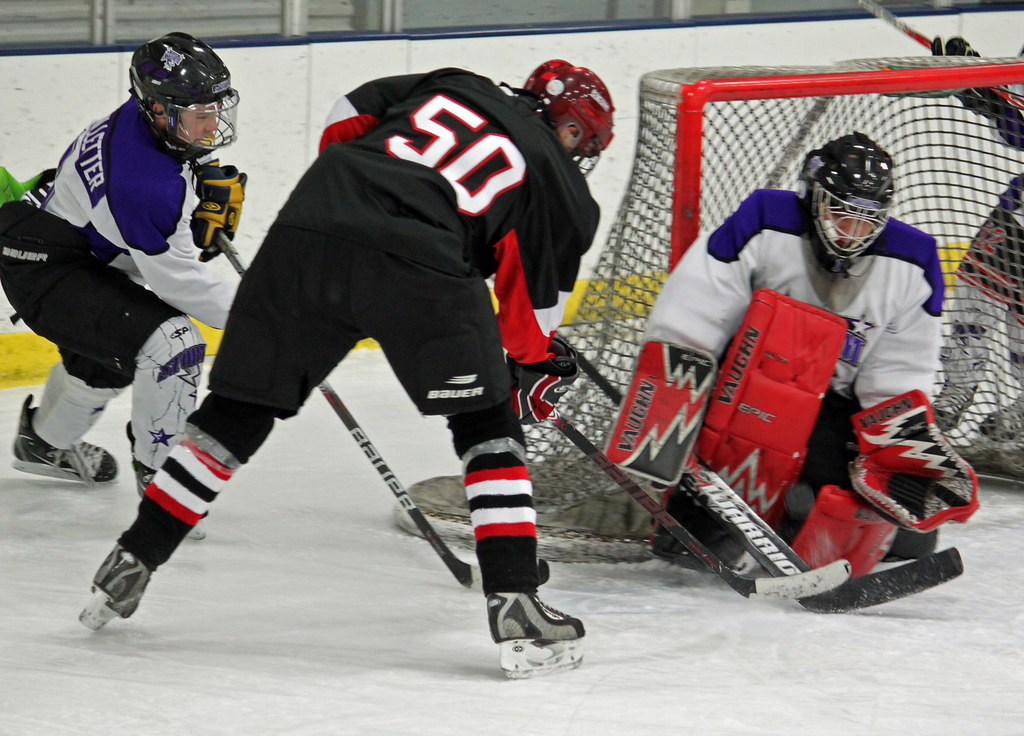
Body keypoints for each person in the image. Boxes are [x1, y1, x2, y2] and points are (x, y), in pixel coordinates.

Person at [79, 60, 614, 679]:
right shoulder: (566, 193)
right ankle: (518, 602)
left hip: (316, 220)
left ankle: (132, 558)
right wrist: (532, 369)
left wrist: (354, 204)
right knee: (487, 426)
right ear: (574, 136)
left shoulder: (456, 82)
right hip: (426, 260)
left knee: (235, 414)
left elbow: (344, 114)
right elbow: (528, 324)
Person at [613, 132, 977, 577]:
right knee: (702, 542)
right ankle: (717, 511)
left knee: (912, 538)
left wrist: (899, 455)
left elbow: (896, 378)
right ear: (812, 197)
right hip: (740, 396)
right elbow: (694, 316)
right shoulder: (766, 222)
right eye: (841, 215)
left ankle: (790, 513)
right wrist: (671, 414)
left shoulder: (914, 264)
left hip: (829, 410)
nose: (851, 233)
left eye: (866, 221)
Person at [0, 32, 245, 540]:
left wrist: (203, 172)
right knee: (174, 342)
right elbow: (176, 281)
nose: (210, 123)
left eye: (213, 108)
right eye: (198, 112)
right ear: (158, 109)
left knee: (112, 357)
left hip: (69, 248)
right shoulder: (143, 182)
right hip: (45, 265)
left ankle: (42, 445)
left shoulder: (147, 123)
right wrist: (261, 314)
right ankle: (165, 482)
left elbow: (160, 210)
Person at [930, 37, 1024, 441]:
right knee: (974, 295)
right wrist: (981, 89)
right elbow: (1017, 129)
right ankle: (956, 392)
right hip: (1019, 214)